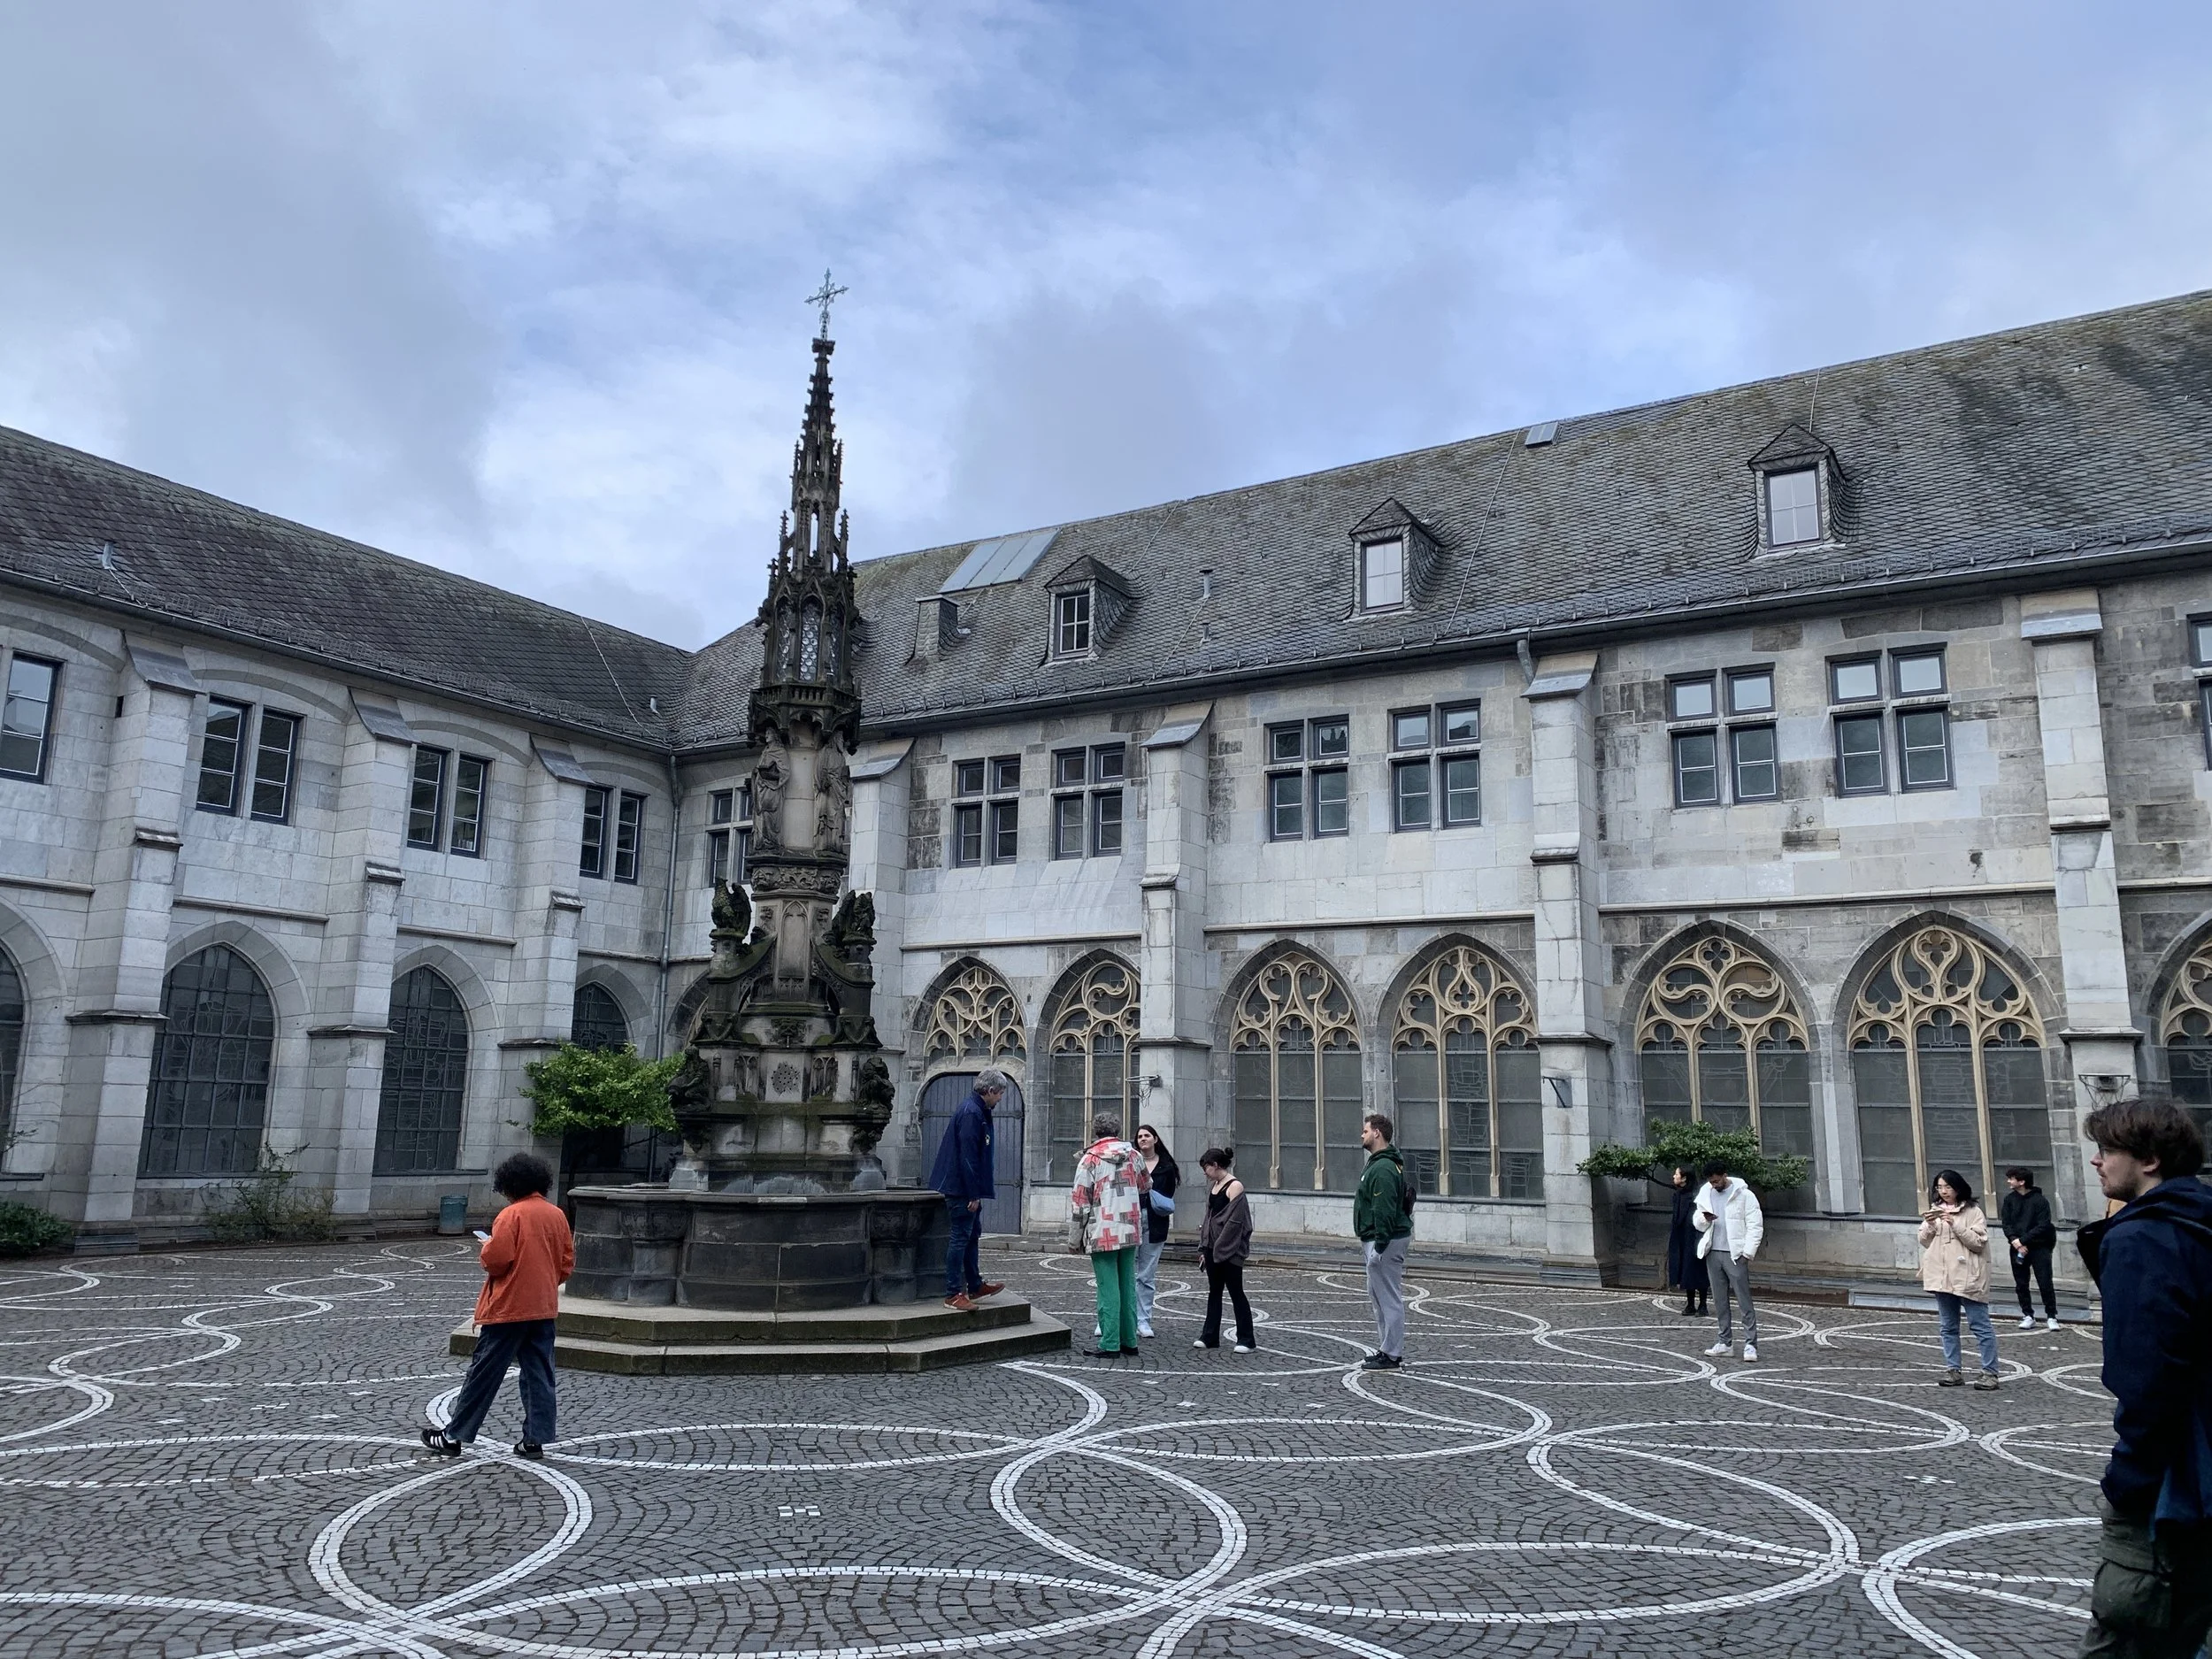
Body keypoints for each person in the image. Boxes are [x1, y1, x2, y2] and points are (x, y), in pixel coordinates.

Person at [2076, 1089, 2212, 1658]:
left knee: (2130, 1629)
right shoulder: (2199, 1224)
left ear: (2149, 1160)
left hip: (2172, 1485)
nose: (2097, 1160)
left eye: (2108, 1148)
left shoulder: (2140, 1238)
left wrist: (2128, 1482)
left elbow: (2147, 1380)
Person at [421, 1154, 574, 1459]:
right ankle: (535, 1440)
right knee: (539, 1375)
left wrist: (487, 1247)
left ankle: (454, 1436)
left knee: (484, 1373)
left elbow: (496, 1262)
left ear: (510, 1184)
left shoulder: (510, 1215)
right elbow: (566, 1264)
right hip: (543, 1307)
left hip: (508, 1308)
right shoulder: (557, 1215)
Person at [1070, 1113, 1150, 1357]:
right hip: (1129, 1228)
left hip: (1102, 1229)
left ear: (1096, 1132)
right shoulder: (1134, 1155)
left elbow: (1080, 1202)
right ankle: (1129, 1340)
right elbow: (1146, 1185)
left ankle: (1110, 1342)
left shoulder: (1090, 1159)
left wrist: (1074, 1239)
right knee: (1127, 1284)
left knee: (1107, 1288)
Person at [928, 1068, 1008, 1312]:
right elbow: (968, 1156)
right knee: (960, 1237)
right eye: (1000, 1093)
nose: (1001, 1099)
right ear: (990, 1090)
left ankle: (974, 1284)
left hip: (965, 1187)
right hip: (960, 1189)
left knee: (972, 1234)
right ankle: (953, 1292)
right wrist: (973, 1194)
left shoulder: (978, 1110)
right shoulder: (972, 1113)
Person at [1918, 1168, 2001, 1390]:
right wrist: (1931, 1225)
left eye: (1947, 1187)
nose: (1943, 1191)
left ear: (1958, 1187)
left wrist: (1954, 1224)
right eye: (1939, 1187)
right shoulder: (1935, 1210)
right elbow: (1924, 1241)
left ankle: (1990, 1372)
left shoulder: (1973, 1212)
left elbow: (1978, 1242)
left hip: (1968, 1276)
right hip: (1942, 1277)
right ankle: (1953, 1370)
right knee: (1948, 1326)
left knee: (1980, 1325)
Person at [1353, 1113, 1414, 1371]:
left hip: (1385, 1241)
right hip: (1380, 1239)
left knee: (1388, 1298)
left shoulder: (1384, 1168)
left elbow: (1384, 1210)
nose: (1362, 1135)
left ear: (1377, 1133)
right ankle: (1386, 1349)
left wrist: (1379, 1246)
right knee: (1379, 1297)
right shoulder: (1380, 1164)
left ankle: (1391, 1354)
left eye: (1365, 1131)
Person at [1694, 1159, 1763, 1363]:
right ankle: (1725, 1342)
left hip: (1735, 1253)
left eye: (1716, 1181)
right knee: (1719, 1300)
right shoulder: (1706, 1193)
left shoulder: (1745, 1195)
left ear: (1724, 1175)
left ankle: (1751, 1344)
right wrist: (1704, 1219)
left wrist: (1747, 1253)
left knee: (1744, 1300)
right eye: (1711, 1182)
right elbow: (1697, 1222)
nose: (1714, 1185)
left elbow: (1755, 1225)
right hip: (1713, 1251)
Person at [1193, 1148, 1256, 1353]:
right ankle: (1209, 1336)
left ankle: (1246, 1339)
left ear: (1215, 1165)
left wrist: (1220, 1248)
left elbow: (1235, 1222)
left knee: (1236, 1293)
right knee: (1214, 1293)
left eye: (1206, 1168)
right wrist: (1204, 1247)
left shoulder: (1235, 1185)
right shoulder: (1215, 1185)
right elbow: (1208, 1217)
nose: (1205, 1172)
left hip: (1230, 1251)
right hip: (1212, 1248)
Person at [2001, 1165, 2061, 1332]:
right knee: (2021, 1283)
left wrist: (2023, 1241)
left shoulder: (2040, 1201)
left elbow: (2043, 1225)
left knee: (2045, 1282)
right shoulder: (2009, 1200)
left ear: (2021, 1181)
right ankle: (2028, 1315)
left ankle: (2051, 1316)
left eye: (2011, 1178)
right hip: (2017, 1246)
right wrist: (2015, 1241)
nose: (2008, 1181)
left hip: (2039, 1246)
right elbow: (2006, 1223)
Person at [1133, 1125, 1179, 1340]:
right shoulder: (1130, 1161)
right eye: (1140, 1136)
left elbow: (1167, 1196)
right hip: (1130, 1220)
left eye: (1147, 1136)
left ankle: (1144, 1321)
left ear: (1155, 1139)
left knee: (1146, 1276)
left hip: (1154, 1222)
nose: (1143, 1139)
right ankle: (1118, 1319)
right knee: (1123, 1273)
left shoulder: (1167, 1167)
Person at [1664, 1165, 1709, 1317]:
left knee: (1697, 1269)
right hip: (1681, 1236)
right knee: (1684, 1269)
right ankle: (1690, 1304)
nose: (1673, 1176)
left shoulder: (1696, 1196)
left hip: (1694, 1236)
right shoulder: (1677, 1195)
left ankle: (1703, 1304)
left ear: (1684, 1178)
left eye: (1676, 1174)